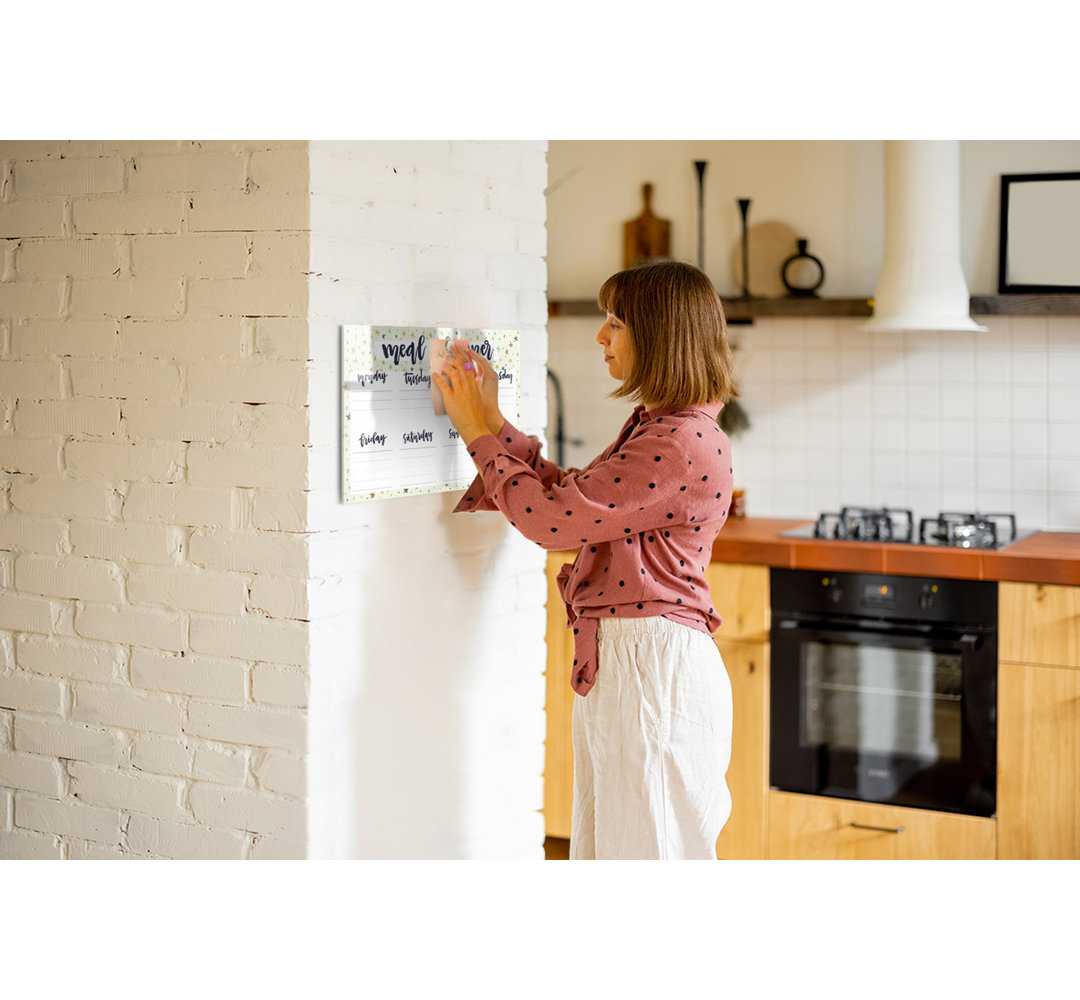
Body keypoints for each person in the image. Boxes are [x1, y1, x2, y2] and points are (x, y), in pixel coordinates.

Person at [434, 260, 737, 860]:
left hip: (651, 668)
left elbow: (551, 520)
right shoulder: (662, 428)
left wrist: (476, 433)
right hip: (636, 662)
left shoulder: (677, 442)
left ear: (660, 335)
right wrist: (492, 422)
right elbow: (575, 497)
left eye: (616, 322)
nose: (602, 336)